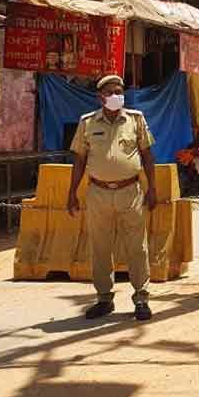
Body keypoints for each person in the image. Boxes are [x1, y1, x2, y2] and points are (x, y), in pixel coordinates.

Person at [67, 75, 157, 321]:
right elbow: (79, 161)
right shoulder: (87, 123)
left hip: (131, 192)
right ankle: (104, 299)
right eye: (112, 92)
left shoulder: (136, 120)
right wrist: (72, 193)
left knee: (137, 247)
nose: (118, 95)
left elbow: (148, 156)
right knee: (100, 248)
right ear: (101, 97)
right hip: (98, 193)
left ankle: (141, 298)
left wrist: (152, 189)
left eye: (120, 91)